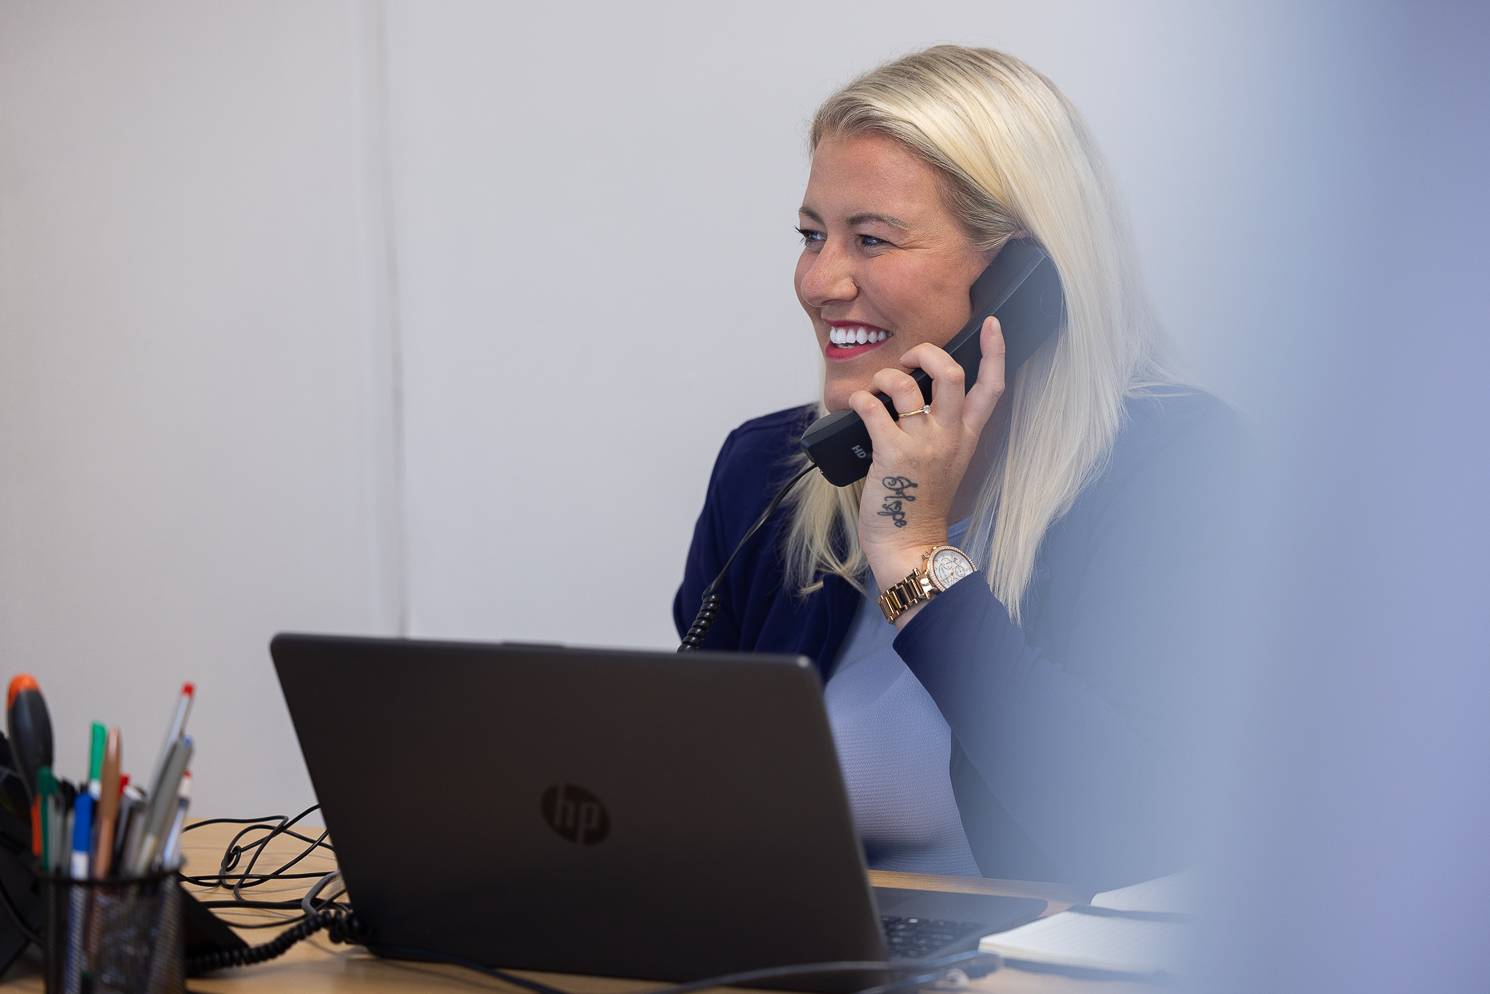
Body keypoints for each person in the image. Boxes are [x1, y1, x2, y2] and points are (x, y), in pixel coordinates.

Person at [673, 46, 1241, 890]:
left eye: (872, 239)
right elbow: (682, 805)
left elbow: (1136, 829)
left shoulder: (1173, 473)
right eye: (811, 237)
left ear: (1024, 279)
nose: (820, 281)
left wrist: (915, 563)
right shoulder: (768, 472)